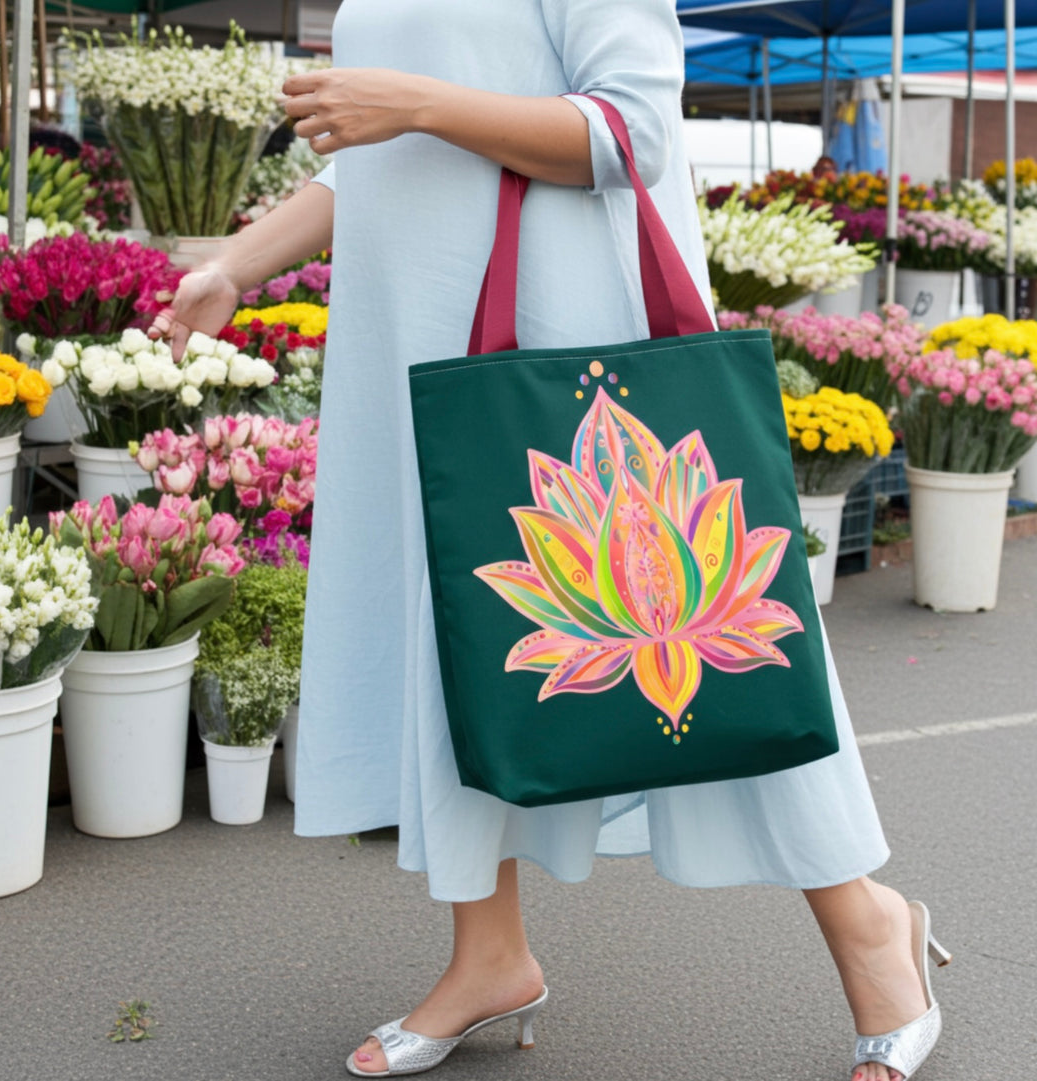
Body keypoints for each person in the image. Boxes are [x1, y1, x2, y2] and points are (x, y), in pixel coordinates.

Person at [149, 3, 950, 1079]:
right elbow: (380, 162)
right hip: (422, 337)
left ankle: (873, 932)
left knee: (712, 642)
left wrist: (412, 100)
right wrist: (237, 265)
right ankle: (489, 954)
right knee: (468, 636)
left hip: (575, 333)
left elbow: (631, 132)